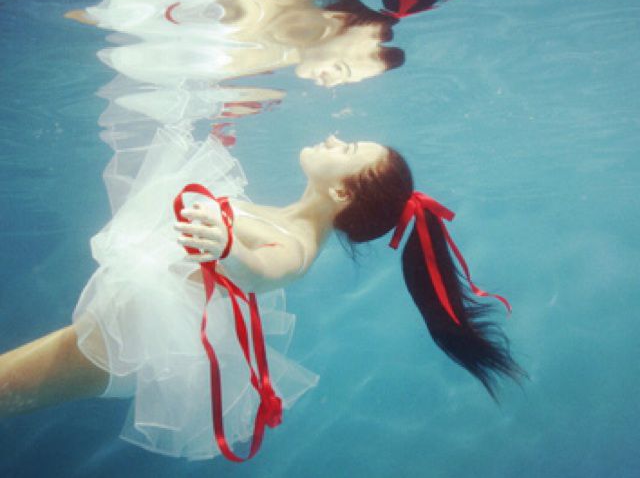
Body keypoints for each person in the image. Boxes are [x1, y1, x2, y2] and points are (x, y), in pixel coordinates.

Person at [0, 129, 524, 460]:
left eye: (346, 150)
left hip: (132, 346)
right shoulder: (283, 216)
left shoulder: (297, 246)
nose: (334, 138)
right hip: (127, 333)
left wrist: (228, 248)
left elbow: (263, 271)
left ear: (341, 192)